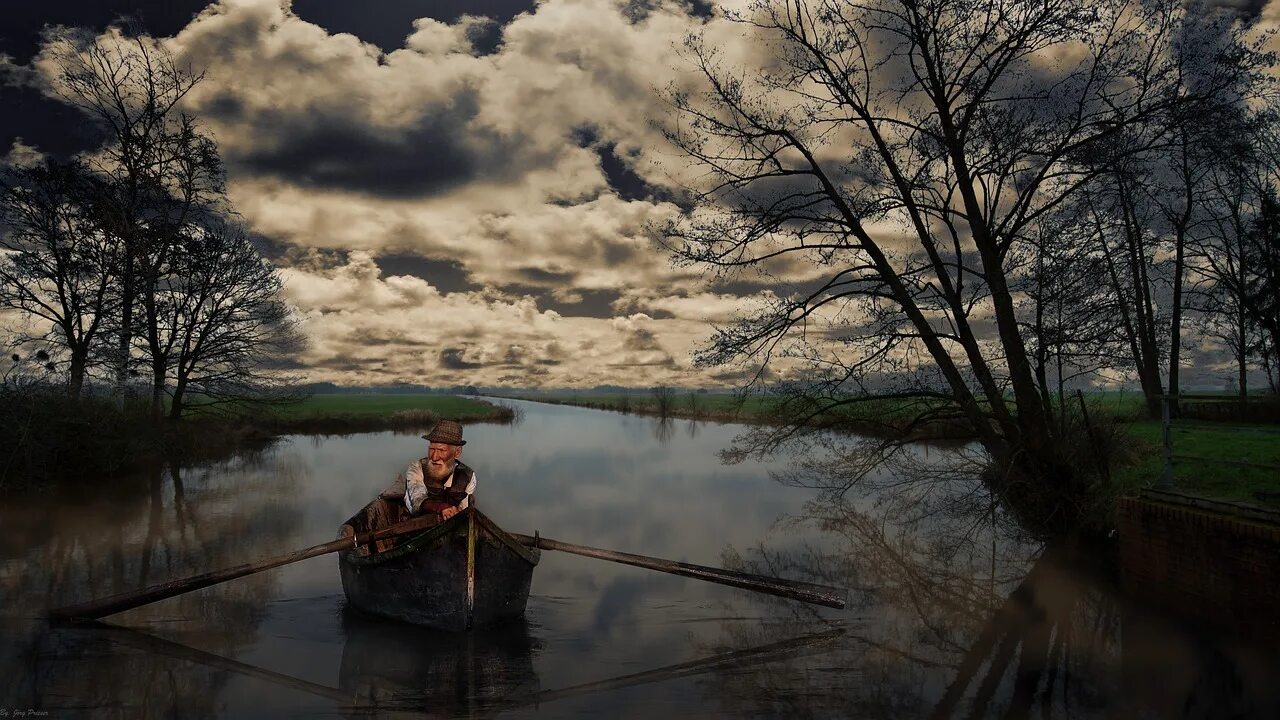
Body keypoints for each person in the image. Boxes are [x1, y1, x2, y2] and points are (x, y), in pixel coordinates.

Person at [395, 419, 476, 520]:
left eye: (441, 450)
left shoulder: (468, 476)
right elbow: (417, 499)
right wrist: (441, 508)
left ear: (457, 452)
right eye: (431, 449)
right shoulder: (417, 467)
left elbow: (464, 510)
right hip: (416, 522)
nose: (434, 457)